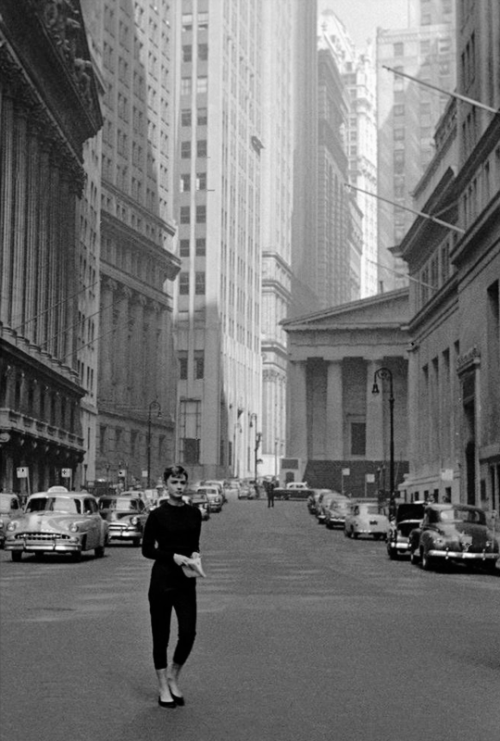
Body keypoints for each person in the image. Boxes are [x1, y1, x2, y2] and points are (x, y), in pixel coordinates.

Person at [142, 464, 202, 709]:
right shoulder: (157, 515)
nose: (179, 487)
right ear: (165, 485)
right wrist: (172, 557)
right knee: (161, 636)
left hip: (186, 580)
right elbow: (147, 550)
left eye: (182, 482)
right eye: (174, 483)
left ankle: (173, 676)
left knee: (188, 633)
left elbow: (194, 544)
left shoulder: (194, 514)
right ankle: (162, 686)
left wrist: (195, 557)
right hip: (162, 580)